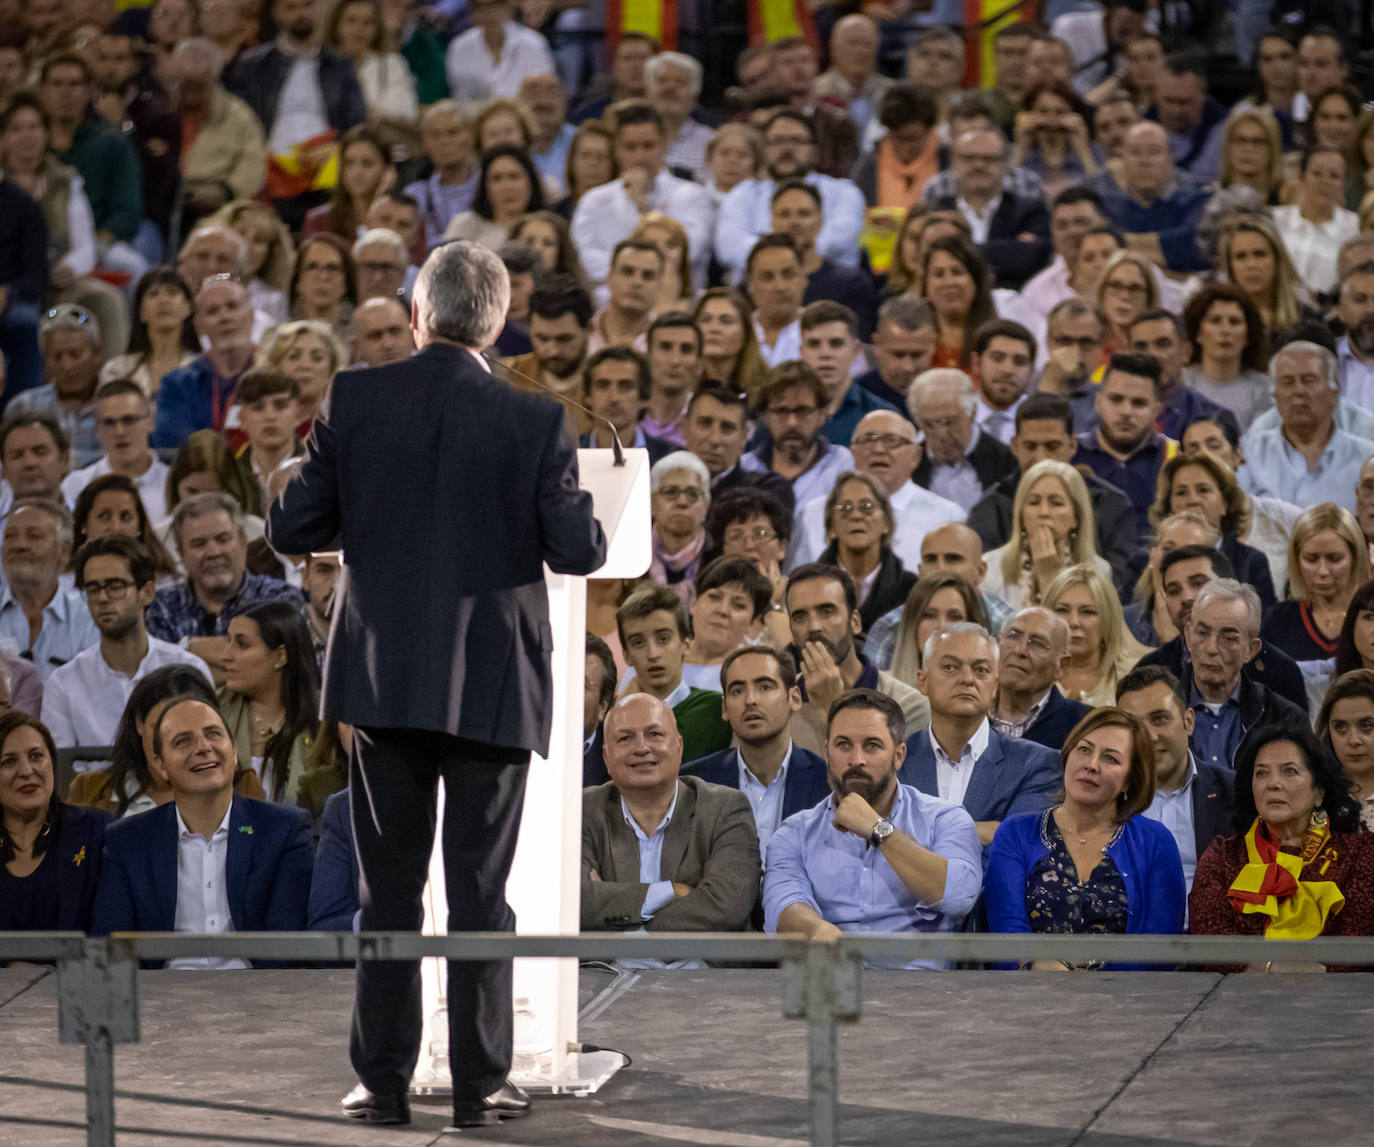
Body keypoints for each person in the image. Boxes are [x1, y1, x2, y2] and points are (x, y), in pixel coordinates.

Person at [268, 239, 605, 1127]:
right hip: (492, 685)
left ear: (418, 316)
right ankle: (478, 1082)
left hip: (383, 681)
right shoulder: (535, 420)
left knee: (388, 889)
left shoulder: (356, 396)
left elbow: (296, 523)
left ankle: (381, 1082)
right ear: (497, 324)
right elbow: (576, 550)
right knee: (480, 894)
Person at [763, 688, 982, 968]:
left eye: (872, 745)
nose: (856, 760)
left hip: (923, 994)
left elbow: (958, 897)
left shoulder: (946, 819)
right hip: (831, 986)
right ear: (826, 754)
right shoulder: (794, 832)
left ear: (899, 755)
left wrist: (878, 829)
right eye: (843, 745)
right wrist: (817, 930)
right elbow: (781, 905)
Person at [90, 695, 314, 963]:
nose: (203, 747)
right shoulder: (127, 841)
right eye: (183, 741)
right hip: (161, 997)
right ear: (160, 765)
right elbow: (110, 950)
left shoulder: (283, 830)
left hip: (258, 995)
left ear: (233, 750)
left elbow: (286, 947)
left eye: (213, 734)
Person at [985, 706, 1185, 965]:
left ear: (1129, 781)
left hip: (1127, 997)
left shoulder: (1156, 843)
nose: (1091, 765)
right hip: (1030, 992)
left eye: (1110, 758)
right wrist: (1036, 965)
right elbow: (1006, 932)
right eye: (1084, 750)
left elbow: (1159, 949)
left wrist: (1100, 985)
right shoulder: (1015, 833)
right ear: (1068, 756)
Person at [582, 691, 761, 949]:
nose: (642, 748)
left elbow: (727, 907)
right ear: (607, 759)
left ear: (679, 747)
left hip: (705, 976)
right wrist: (672, 891)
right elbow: (576, 902)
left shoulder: (725, 808)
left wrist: (624, 929)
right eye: (625, 738)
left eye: (654, 734)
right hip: (608, 976)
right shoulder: (586, 810)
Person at [1188, 725, 1374, 966]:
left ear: (1318, 792)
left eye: (1289, 771)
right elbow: (1213, 946)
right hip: (1239, 996)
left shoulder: (1359, 855)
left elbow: (1356, 945)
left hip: (1338, 999)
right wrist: (1269, 971)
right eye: (1262, 773)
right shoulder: (1222, 858)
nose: (1273, 783)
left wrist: (1315, 974)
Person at [898, 622, 1059, 850]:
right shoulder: (895, 760)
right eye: (950, 667)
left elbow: (1022, 847)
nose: (967, 679)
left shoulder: (1037, 764)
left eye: (981, 670)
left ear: (994, 686)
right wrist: (984, 831)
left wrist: (918, 834)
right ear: (922, 680)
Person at [43, 536, 210, 751]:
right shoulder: (64, 684)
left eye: (115, 586)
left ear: (147, 592)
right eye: (93, 589)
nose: (102, 598)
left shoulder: (187, 670)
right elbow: (62, 772)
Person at [684, 646, 829, 862]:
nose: (750, 699)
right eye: (737, 691)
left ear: (795, 698)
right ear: (724, 708)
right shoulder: (692, 786)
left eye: (765, 687)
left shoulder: (829, 783)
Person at [225, 0, 366, 219]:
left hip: (327, 170)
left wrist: (335, 147)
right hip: (269, 170)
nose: (301, 13)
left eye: (307, 5)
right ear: (276, 13)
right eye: (290, 7)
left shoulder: (339, 64)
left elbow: (357, 122)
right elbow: (239, 122)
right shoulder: (253, 64)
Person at [146, 493, 304, 678]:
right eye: (199, 544)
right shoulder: (160, 608)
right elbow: (163, 678)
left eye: (222, 539)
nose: (213, 552)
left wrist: (186, 647)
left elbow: (282, 670)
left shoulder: (280, 598)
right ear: (181, 553)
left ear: (243, 541)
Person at [1134, 544, 1307, 712]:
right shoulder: (1149, 670)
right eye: (1174, 591)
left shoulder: (1279, 671)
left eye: (1197, 583)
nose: (1185, 597)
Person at [791, 410, 965, 573]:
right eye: (868, 439)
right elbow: (794, 585)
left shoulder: (947, 517)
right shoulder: (813, 513)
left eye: (892, 440)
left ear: (915, 456)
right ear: (853, 454)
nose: (879, 449)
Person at [784, 563, 928, 756]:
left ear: (855, 622)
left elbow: (886, 784)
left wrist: (831, 709)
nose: (814, 626)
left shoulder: (908, 706)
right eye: (800, 617)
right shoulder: (777, 707)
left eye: (827, 612)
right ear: (792, 633)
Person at [571, 101, 713, 294]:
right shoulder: (594, 200)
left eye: (648, 146)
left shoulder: (693, 195)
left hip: (676, 305)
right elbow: (585, 260)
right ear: (617, 149)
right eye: (630, 147)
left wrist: (642, 205)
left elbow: (688, 253)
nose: (640, 156)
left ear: (664, 144)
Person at [1117, 665, 1234, 896]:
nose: (1149, 736)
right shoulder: (1109, 797)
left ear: (1188, 721)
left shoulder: (1233, 791)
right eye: (1134, 726)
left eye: (1159, 719)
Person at [715, 109, 865, 281]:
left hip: (832, 289)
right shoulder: (743, 194)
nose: (786, 148)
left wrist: (770, 251)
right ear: (764, 151)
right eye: (777, 141)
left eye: (796, 140)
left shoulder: (844, 192)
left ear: (815, 151)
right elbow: (729, 247)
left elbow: (838, 241)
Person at [0, 711, 109, 932]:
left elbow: (112, 930)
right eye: (9, 761)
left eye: (36, 756)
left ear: (52, 762)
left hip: (81, 966)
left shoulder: (98, 832)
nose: (26, 771)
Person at [1185, 579, 1309, 771]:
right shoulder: (1160, 708)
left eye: (1228, 638)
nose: (1211, 649)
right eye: (1202, 633)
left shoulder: (1284, 718)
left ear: (1251, 650)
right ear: (1187, 636)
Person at [1241, 341, 1374, 512]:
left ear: (1334, 392)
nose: (1298, 391)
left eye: (1309, 380)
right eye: (1288, 382)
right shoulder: (1249, 454)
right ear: (1275, 396)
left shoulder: (1367, 459)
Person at [217, 600, 320, 806]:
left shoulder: (323, 723)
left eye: (242, 644)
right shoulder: (214, 712)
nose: (225, 655)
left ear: (281, 656)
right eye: (228, 641)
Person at [616, 583, 733, 763]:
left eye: (663, 639)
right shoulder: (614, 722)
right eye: (638, 643)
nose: (652, 654)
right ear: (626, 655)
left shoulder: (718, 711)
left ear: (686, 644)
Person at [1072, 353, 1174, 550]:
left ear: (1156, 410)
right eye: (1116, 399)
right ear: (1099, 402)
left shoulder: (1176, 458)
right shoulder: (1070, 456)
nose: (1126, 411)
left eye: (1139, 403)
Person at [981, 459, 1111, 613]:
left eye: (1056, 503)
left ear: (1076, 517)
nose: (1043, 512)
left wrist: (1049, 575)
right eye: (1034, 502)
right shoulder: (989, 568)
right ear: (1021, 514)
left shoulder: (1100, 571)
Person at [153, 276, 257, 450]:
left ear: (251, 316)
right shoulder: (176, 386)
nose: (224, 317)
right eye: (212, 311)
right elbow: (172, 446)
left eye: (232, 306)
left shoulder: (277, 376)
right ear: (198, 326)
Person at [171, 39, 268, 226]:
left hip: (220, 205)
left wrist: (225, 192)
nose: (190, 92)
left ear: (215, 80)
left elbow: (254, 163)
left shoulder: (239, 116)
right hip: (162, 203)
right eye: (185, 84)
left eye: (199, 85)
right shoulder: (158, 112)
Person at [1267, 503, 1370, 677]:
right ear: (1296, 558)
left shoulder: (1369, 616)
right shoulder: (1275, 622)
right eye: (1311, 559)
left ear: (1355, 557)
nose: (1323, 571)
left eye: (1334, 559)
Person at [0, 500, 98, 681]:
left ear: (64, 550)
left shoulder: (89, 617)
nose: (19, 545)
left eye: (34, 536)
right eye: (10, 536)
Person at [739, 362, 855, 514]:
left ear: (821, 415)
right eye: (781, 411)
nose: (792, 423)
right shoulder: (745, 468)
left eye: (802, 410)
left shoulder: (842, 464)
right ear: (766, 417)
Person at [1099, 121, 1211, 274]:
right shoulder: (1107, 207)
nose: (1144, 161)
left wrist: (1116, 244)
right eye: (1135, 152)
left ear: (1170, 160)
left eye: (1154, 151)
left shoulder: (1200, 200)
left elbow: (1192, 246)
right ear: (1123, 161)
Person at [815, 472, 915, 636]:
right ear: (831, 527)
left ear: (886, 523)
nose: (856, 516)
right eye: (845, 508)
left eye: (867, 507)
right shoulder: (807, 587)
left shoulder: (911, 591)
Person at [907, 368, 1018, 514]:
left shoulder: (1007, 463)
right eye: (928, 424)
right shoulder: (908, 465)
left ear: (972, 412)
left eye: (949, 422)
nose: (942, 435)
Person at [1043, 564, 1151, 707]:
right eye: (1062, 610)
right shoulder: (1027, 675)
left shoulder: (1138, 677)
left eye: (1088, 612)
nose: (1074, 622)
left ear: (1108, 620)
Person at [62, 381, 169, 524]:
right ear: (97, 430)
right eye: (109, 423)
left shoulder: (172, 483)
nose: (120, 431)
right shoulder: (76, 485)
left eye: (129, 420)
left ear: (150, 422)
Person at [9, 305, 102, 469]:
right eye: (57, 357)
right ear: (45, 362)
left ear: (96, 354)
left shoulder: (116, 406)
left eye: (75, 354)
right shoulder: (24, 406)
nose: (67, 366)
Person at [500, 275, 593, 436]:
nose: (553, 351)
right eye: (542, 339)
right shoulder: (507, 375)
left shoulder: (607, 382)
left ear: (589, 329)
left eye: (564, 339)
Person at [992, 606, 1090, 751]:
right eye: (1013, 636)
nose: (1020, 650)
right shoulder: (967, 710)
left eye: (1037, 643)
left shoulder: (1083, 725)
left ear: (1061, 666)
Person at [1178, 285, 1274, 430]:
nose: (1225, 330)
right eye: (1215, 321)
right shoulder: (1180, 383)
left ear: (1248, 335)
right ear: (1198, 333)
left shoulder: (1264, 389)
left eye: (1234, 322)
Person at [1272, 147, 1359, 297]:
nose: (1325, 182)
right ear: (1302, 177)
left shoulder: (1355, 228)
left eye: (1334, 175)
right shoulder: (1275, 220)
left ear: (1343, 185)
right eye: (1317, 173)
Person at [444, 0, 554, 104]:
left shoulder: (534, 43)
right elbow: (461, 94)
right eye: (482, 8)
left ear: (508, 7)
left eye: (495, 6)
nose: (490, 14)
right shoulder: (459, 47)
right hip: (475, 118)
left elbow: (542, 87)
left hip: (526, 115)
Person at [405, 101, 478, 252]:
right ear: (425, 143)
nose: (445, 142)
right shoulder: (414, 197)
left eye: (453, 132)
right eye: (435, 135)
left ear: (471, 136)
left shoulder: (490, 187)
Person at [854, 297, 937, 411]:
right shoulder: (853, 399)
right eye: (898, 355)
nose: (908, 367)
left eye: (917, 355)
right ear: (877, 344)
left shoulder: (951, 398)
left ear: (933, 344)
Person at [1316, 669, 1374, 830]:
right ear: (1328, 731)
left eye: (1366, 726)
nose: (1353, 740)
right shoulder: (1312, 797)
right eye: (1340, 727)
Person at [693, 290, 768, 400]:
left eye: (726, 321)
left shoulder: (766, 390)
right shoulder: (679, 387)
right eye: (705, 319)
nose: (714, 328)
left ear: (746, 334)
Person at [351, 297, 414, 368]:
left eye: (395, 332)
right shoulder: (345, 378)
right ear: (357, 347)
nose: (388, 344)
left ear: (412, 335)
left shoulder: (428, 371)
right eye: (375, 336)